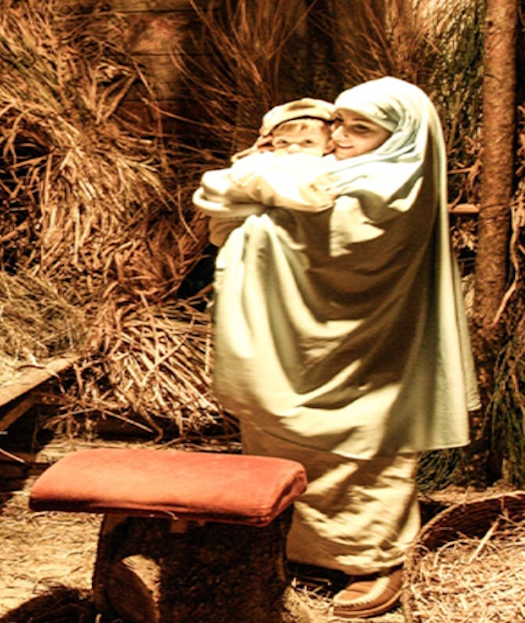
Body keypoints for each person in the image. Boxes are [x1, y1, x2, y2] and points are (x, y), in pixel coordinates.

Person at [193, 77, 479, 619]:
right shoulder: (333, 171)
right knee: (278, 441)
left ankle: (374, 559)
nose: (339, 137)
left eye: (360, 128)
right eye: (340, 123)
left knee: (364, 444)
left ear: (401, 135)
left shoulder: (395, 185)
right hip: (286, 343)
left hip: (362, 350)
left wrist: (257, 211)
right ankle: (297, 546)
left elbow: (323, 242)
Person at [193, 97, 338, 247]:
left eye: (307, 142)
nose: (293, 149)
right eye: (283, 142)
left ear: (328, 145)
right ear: (271, 143)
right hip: (245, 228)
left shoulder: (330, 165)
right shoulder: (264, 161)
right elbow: (231, 181)